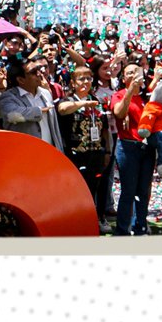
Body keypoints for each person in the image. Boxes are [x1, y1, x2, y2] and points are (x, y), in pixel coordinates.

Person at [56, 65, 112, 233]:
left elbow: (105, 130)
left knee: (97, 186)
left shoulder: (96, 102)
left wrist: (107, 150)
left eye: (88, 78)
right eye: (81, 78)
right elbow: (62, 110)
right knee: (78, 190)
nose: (86, 82)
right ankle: (78, 222)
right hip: (75, 154)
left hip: (96, 151)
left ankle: (98, 218)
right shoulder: (68, 100)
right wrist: (83, 104)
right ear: (73, 83)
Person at [112, 63, 159, 235]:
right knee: (128, 191)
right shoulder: (119, 95)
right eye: (129, 73)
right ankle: (123, 230)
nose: (133, 75)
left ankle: (140, 226)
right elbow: (118, 113)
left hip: (147, 149)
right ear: (123, 78)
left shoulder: (149, 97)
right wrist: (130, 92)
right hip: (127, 146)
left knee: (143, 190)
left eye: (136, 72)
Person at [0, 57, 64, 149]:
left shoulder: (45, 93)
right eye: (34, 72)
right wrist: (38, 111)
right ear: (21, 80)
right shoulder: (9, 97)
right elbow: (11, 115)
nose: (39, 74)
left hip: (50, 155)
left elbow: (54, 128)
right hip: (26, 157)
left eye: (38, 69)